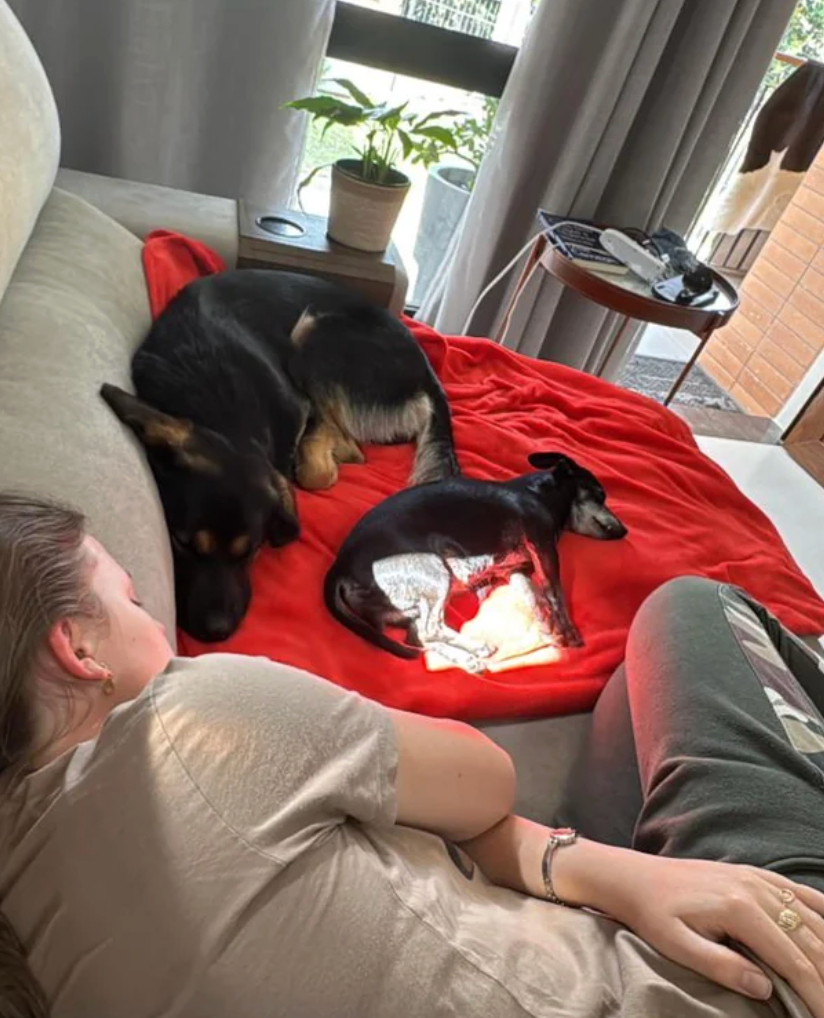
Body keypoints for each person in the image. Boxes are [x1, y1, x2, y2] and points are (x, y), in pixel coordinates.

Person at [0, 493, 823, 1018]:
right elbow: (486, 782)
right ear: (76, 648)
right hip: (748, 985)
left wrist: (613, 874)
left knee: (622, 706)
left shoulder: (23, 900)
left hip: (560, 924)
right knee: (689, 608)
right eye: (132, 600)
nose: (156, 623)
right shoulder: (193, 717)